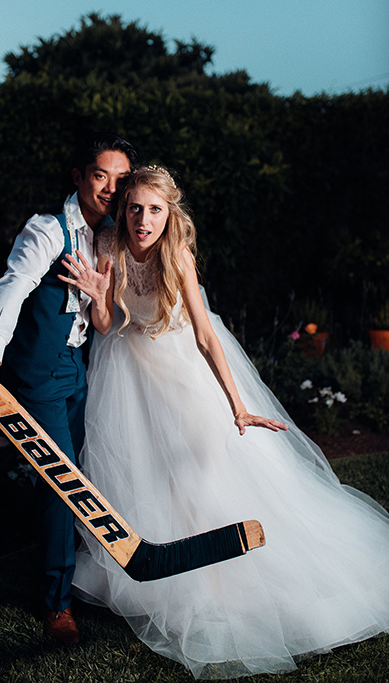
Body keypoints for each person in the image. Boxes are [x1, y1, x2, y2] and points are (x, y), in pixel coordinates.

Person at [58, 165, 389, 679]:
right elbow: (105, 324)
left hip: (183, 369)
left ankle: (226, 579)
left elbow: (206, 338)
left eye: (155, 210)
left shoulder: (177, 255)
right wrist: (99, 295)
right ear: (123, 211)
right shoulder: (108, 245)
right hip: (127, 368)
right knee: (146, 473)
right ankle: (167, 575)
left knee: (205, 470)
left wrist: (236, 404)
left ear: (171, 215)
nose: (143, 220)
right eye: (135, 209)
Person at [0, 132, 138, 645]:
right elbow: (12, 286)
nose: (110, 188)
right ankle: (56, 604)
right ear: (80, 177)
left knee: (86, 474)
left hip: (78, 367)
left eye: (120, 179)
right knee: (61, 483)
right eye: (100, 176)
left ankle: (82, 580)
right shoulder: (47, 229)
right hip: (38, 372)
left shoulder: (111, 234)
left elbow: (103, 316)